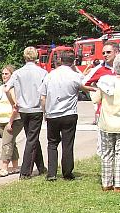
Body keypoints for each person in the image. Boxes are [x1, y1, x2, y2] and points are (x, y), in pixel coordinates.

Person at [39, 51, 91, 181]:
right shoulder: (74, 76)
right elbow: (86, 85)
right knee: (67, 143)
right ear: (73, 62)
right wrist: (76, 70)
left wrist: (45, 113)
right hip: (69, 113)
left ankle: (51, 173)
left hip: (53, 114)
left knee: (52, 143)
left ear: (60, 60)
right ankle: (67, 172)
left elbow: (43, 97)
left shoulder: (50, 76)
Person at [6, 46, 48, 179]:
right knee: (32, 138)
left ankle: (41, 167)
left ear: (24, 57)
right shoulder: (42, 72)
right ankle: (25, 171)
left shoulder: (17, 73)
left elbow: (7, 89)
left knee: (32, 137)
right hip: (36, 108)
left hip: (23, 109)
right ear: (36, 57)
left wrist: (14, 103)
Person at [91, 52, 120, 192]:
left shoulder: (106, 82)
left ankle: (106, 183)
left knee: (106, 154)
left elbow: (95, 100)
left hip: (106, 124)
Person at [0, 65, 22, 176]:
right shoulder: (1, 88)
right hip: (1, 120)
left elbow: (16, 106)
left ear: (12, 75)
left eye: (6, 74)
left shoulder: (14, 88)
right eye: (3, 73)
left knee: (6, 143)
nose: (4, 76)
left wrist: (11, 122)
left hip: (14, 120)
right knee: (11, 143)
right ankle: (15, 166)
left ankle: (4, 168)